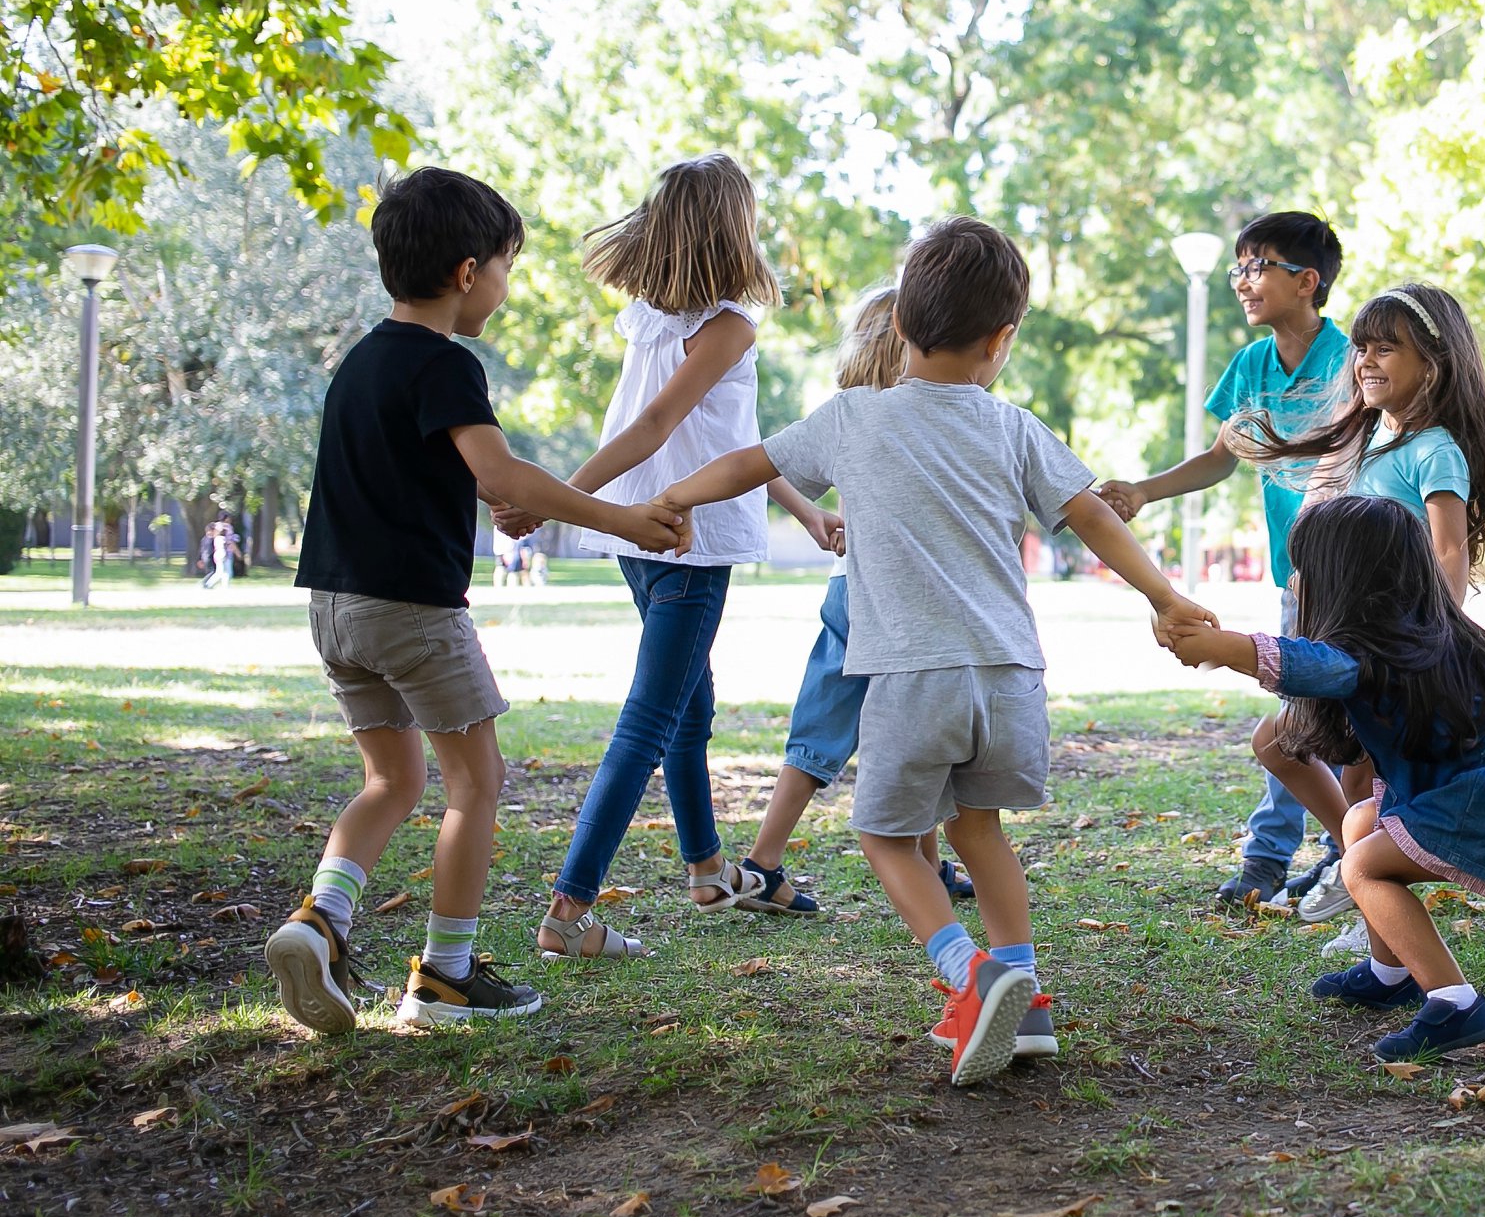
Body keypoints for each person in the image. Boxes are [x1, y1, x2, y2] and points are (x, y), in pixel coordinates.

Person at [657, 215, 1215, 1085]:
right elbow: (1093, 513)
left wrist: (676, 496)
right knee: (979, 830)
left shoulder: (852, 417)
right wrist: (1165, 595)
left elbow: (747, 463)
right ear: (1002, 340)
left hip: (913, 677)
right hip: (1010, 678)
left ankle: (970, 972)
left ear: (899, 328)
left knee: (882, 833)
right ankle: (1023, 999)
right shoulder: (1012, 426)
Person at [262, 166, 687, 1035]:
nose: (503, 283)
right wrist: (623, 518)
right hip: (412, 612)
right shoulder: (447, 365)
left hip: (334, 609)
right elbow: (499, 473)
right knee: (475, 783)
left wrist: (495, 495)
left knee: (390, 778)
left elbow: (438, 476)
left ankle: (322, 919)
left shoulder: (359, 363)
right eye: (504, 266)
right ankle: (445, 975)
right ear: (467, 274)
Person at [497, 153, 841, 963]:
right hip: (687, 539)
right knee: (651, 719)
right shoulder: (725, 326)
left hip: (638, 536)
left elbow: (731, 439)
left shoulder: (652, 317)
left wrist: (802, 505)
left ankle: (706, 869)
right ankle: (568, 908)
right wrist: (549, 495)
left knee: (691, 705)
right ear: (734, 228)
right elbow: (654, 427)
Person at [1166, 495, 1485, 1060]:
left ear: (1346, 581)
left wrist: (1225, 647)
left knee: (1362, 865)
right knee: (1362, 823)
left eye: (1304, 569)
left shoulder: (1377, 651)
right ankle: (1389, 974)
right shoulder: (1419, 637)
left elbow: (1313, 663)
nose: (1294, 582)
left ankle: (1456, 1004)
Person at [1235, 283, 1485, 948]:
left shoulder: (1434, 449)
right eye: (1360, 346)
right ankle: (1351, 864)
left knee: (1362, 776)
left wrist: (1440, 642)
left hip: (1397, 652)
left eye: (1386, 347)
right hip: (1345, 644)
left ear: (1433, 362)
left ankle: (1372, 911)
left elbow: (1448, 550)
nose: (1365, 359)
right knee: (1278, 744)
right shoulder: (1367, 440)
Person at [1096, 211, 1348, 909]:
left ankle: (1285, 857)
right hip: (1293, 580)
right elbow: (1219, 457)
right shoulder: (1250, 366)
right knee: (1300, 715)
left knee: (1309, 718)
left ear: (1306, 281)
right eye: (1237, 267)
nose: (1242, 281)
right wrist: (1143, 490)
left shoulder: (1352, 360)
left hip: (1351, 580)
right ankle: (1325, 851)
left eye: (1256, 265)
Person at [742, 286, 971, 920]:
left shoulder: (850, 412)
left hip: (850, 589)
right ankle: (914, 863)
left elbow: (766, 461)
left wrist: (815, 514)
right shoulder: (930, 413)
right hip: (899, 600)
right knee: (916, 721)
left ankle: (766, 860)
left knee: (830, 724)